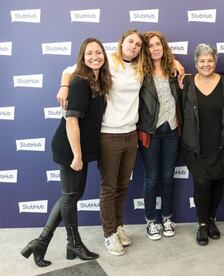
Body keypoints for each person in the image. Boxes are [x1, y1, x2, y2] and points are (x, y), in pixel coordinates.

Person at [21, 38, 111, 266]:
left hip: (80, 147)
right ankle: (73, 243)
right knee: (71, 197)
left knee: (70, 195)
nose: (95, 57)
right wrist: (77, 156)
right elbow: (71, 121)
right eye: (89, 53)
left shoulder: (98, 80)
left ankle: (40, 243)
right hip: (70, 147)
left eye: (99, 52)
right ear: (82, 57)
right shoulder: (80, 81)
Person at [58, 29, 147, 256]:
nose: (134, 47)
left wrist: (176, 64)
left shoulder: (139, 66)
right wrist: (64, 85)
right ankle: (109, 234)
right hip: (108, 134)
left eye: (138, 44)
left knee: (123, 185)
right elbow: (71, 69)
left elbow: (163, 62)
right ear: (121, 42)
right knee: (109, 187)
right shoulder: (107, 61)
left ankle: (118, 227)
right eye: (130, 42)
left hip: (130, 134)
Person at [181, 44, 224, 246]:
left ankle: (212, 219)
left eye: (210, 60)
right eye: (202, 61)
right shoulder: (186, 82)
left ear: (215, 62)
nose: (206, 64)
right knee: (201, 184)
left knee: (218, 183)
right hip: (197, 144)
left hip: (221, 143)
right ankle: (202, 224)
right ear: (196, 63)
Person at [138, 31, 181, 240]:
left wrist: (177, 63)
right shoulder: (141, 73)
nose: (155, 48)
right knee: (152, 178)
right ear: (145, 50)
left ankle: (166, 218)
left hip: (172, 131)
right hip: (151, 132)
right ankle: (151, 221)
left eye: (158, 44)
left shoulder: (173, 70)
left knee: (167, 176)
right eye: (150, 46)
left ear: (163, 47)